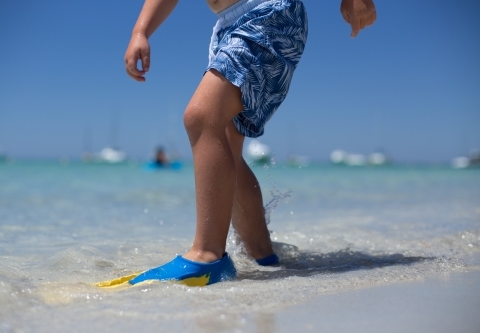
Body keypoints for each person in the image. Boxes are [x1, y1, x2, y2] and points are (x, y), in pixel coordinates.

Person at [124, 0, 376, 286]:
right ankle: (263, 256)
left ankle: (207, 256)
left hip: (269, 12)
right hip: (226, 27)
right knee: (227, 147)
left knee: (201, 117)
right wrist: (140, 31)